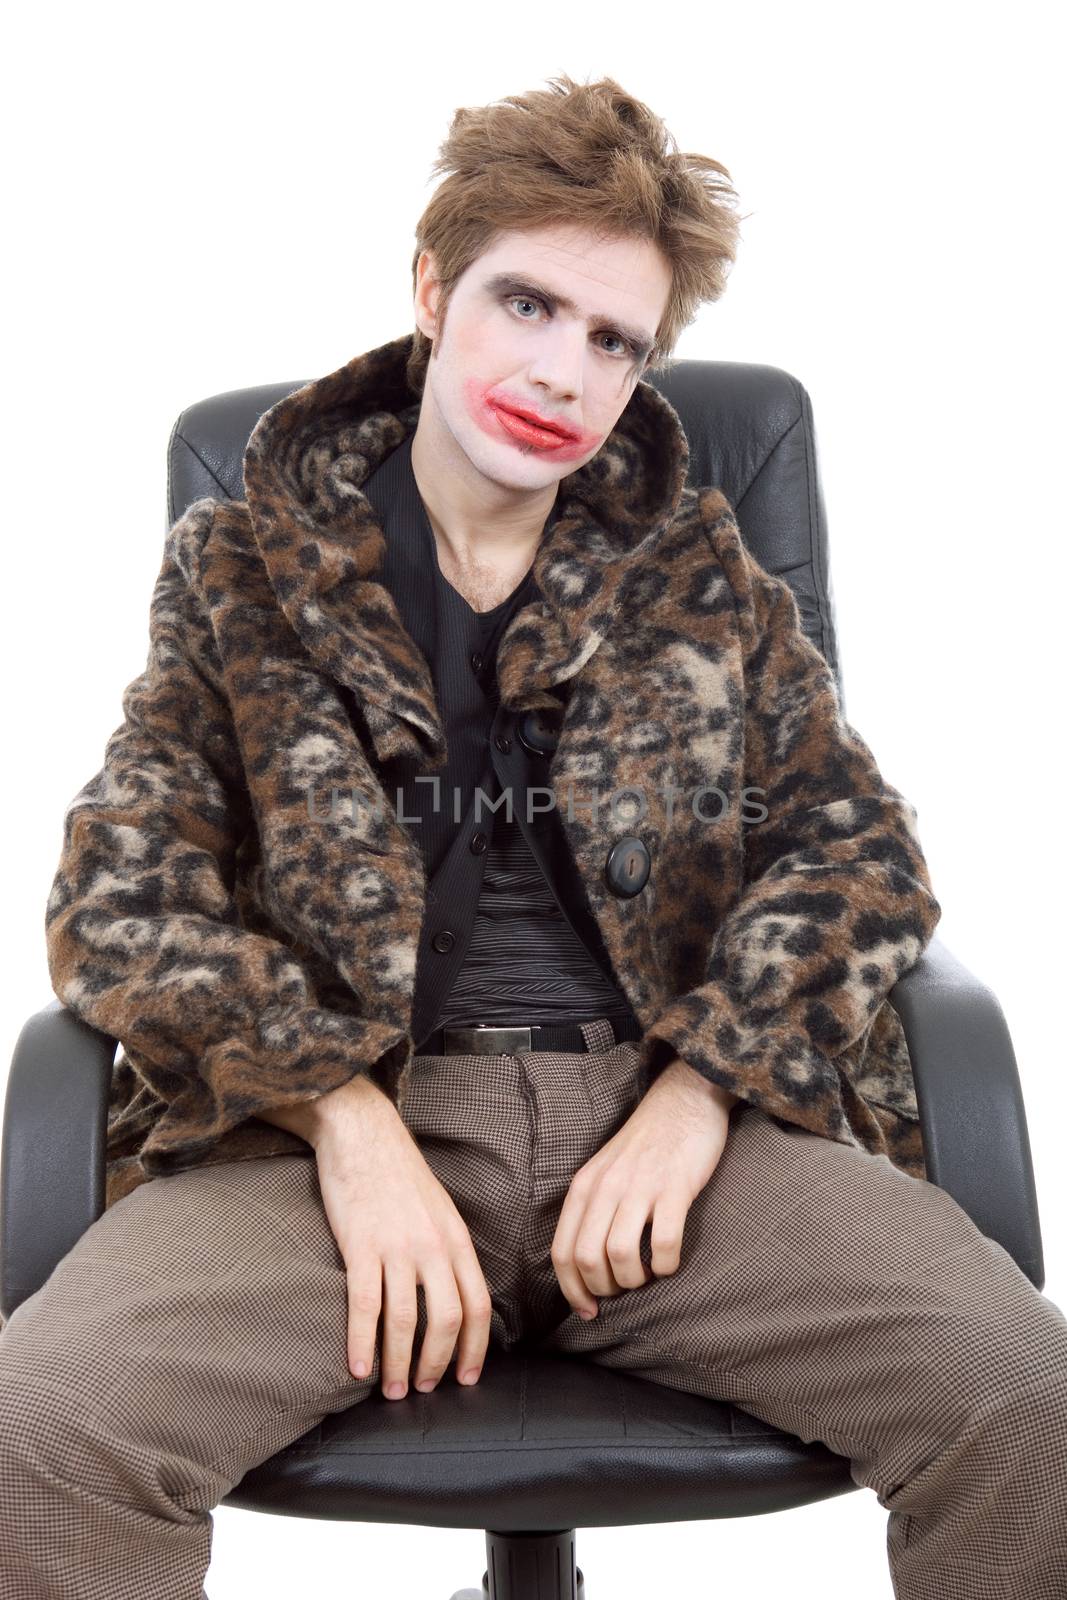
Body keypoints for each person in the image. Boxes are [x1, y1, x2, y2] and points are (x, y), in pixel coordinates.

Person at [2, 72, 1065, 1599]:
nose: (561, 372)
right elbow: (120, 893)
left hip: (666, 1138)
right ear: (433, 291)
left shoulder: (700, 568)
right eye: (525, 304)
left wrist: (705, 1094)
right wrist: (347, 1128)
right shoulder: (243, 560)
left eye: (614, 339)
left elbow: (857, 852)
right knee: (37, 1435)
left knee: (1034, 1410)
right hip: (328, 1143)